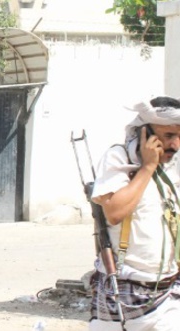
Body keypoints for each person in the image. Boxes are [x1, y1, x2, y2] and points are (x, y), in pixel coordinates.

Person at [90, 96, 180, 330]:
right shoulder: (119, 158)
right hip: (126, 292)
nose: (176, 145)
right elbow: (115, 212)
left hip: (168, 291)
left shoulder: (172, 168)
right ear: (145, 135)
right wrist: (148, 167)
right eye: (169, 136)